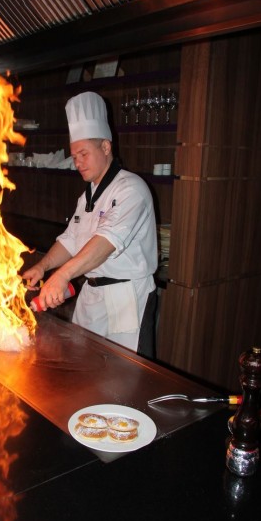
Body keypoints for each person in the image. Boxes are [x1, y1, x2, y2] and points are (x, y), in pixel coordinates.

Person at [22, 91, 158, 357]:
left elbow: (106, 242)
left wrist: (62, 275)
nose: (78, 162)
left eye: (84, 153)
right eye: (74, 156)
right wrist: (43, 266)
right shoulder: (87, 195)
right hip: (91, 297)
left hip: (126, 299)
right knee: (83, 368)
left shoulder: (132, 189)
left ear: (105, 147)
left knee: (125, 379)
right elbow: (70, 239)